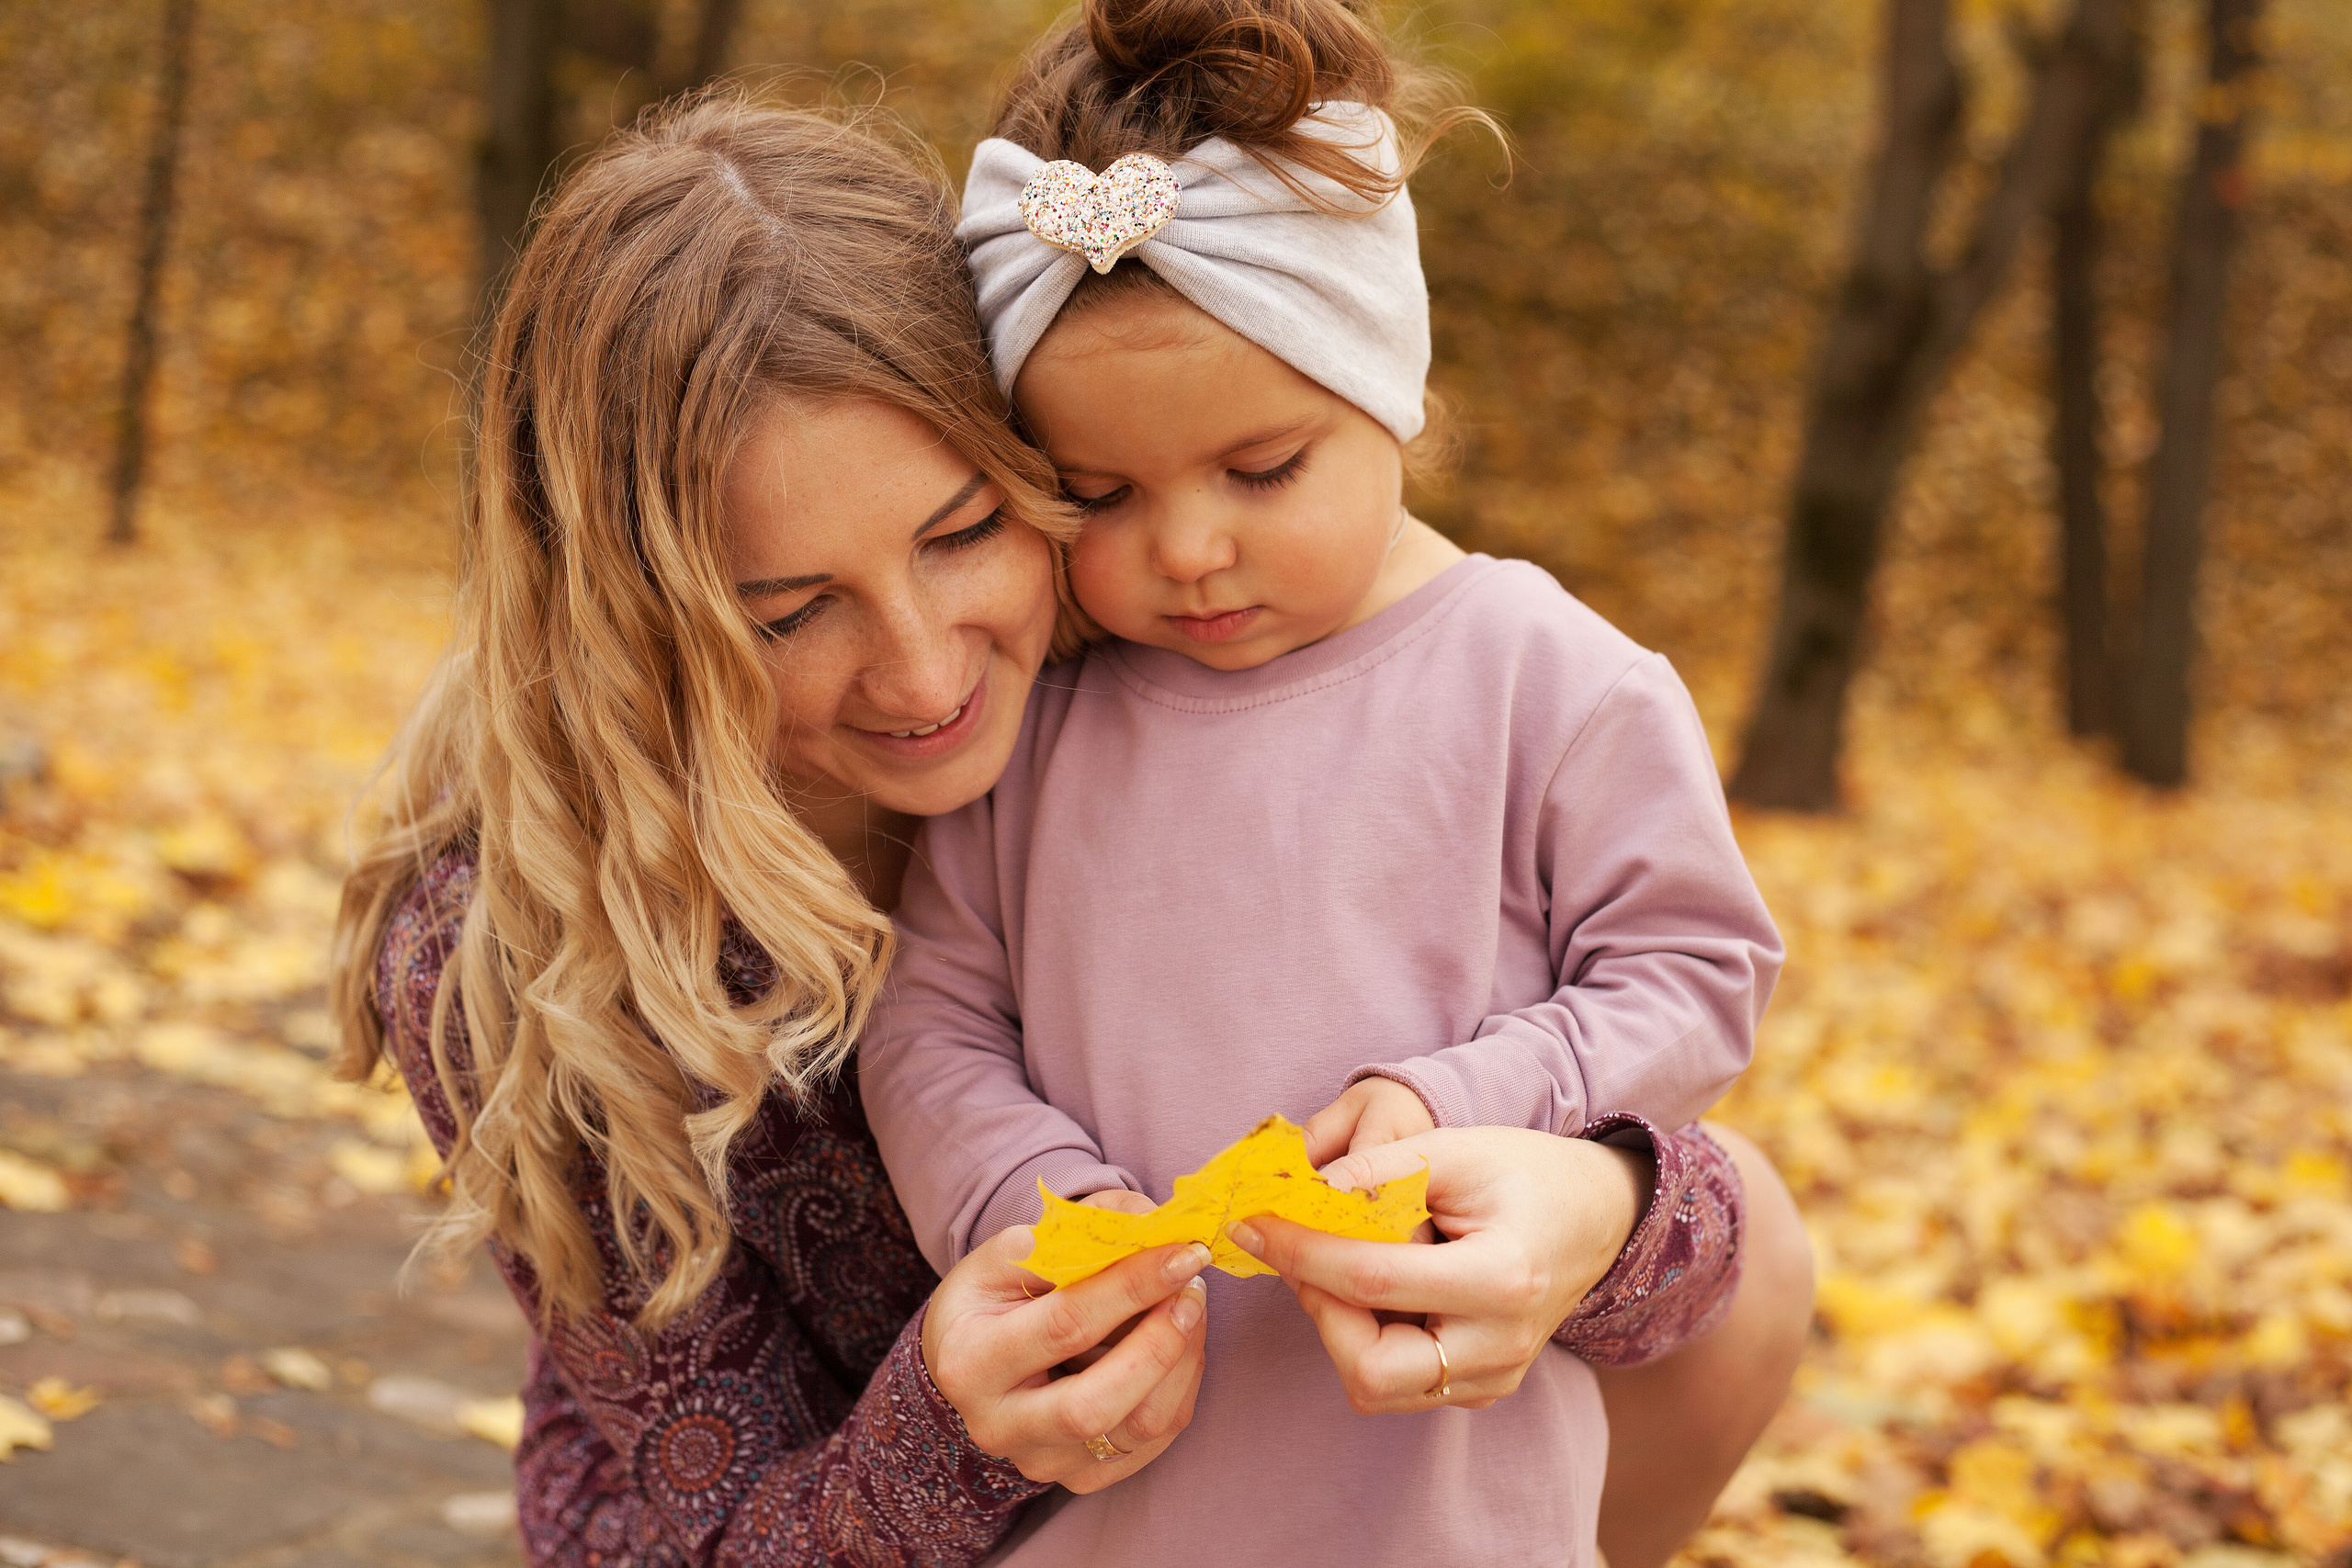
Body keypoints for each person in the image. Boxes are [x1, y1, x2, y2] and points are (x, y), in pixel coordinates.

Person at [330, 93, 1806, 1568]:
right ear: (630, 620)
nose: (925, 677)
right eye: (787, 614)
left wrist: (1599, 1208)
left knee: (1754, 1230)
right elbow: (718, 1524)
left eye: (968, 531)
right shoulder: (511, 942)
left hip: (1334, 1486)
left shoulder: (1167, 642)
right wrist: (943, 1436)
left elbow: (1672, 1127)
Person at [854, 2, 1788, 1563]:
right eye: (1099, 495)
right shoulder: (1054, 709)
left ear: (1395, 389)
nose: (1190, 547)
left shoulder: (1550, 683)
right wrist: (1023, 1199)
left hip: (1436, 1487)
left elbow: (1695, 972)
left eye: (1263, 468)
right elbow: (935, 1011)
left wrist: (1464, 1101)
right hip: (1102, 1489)